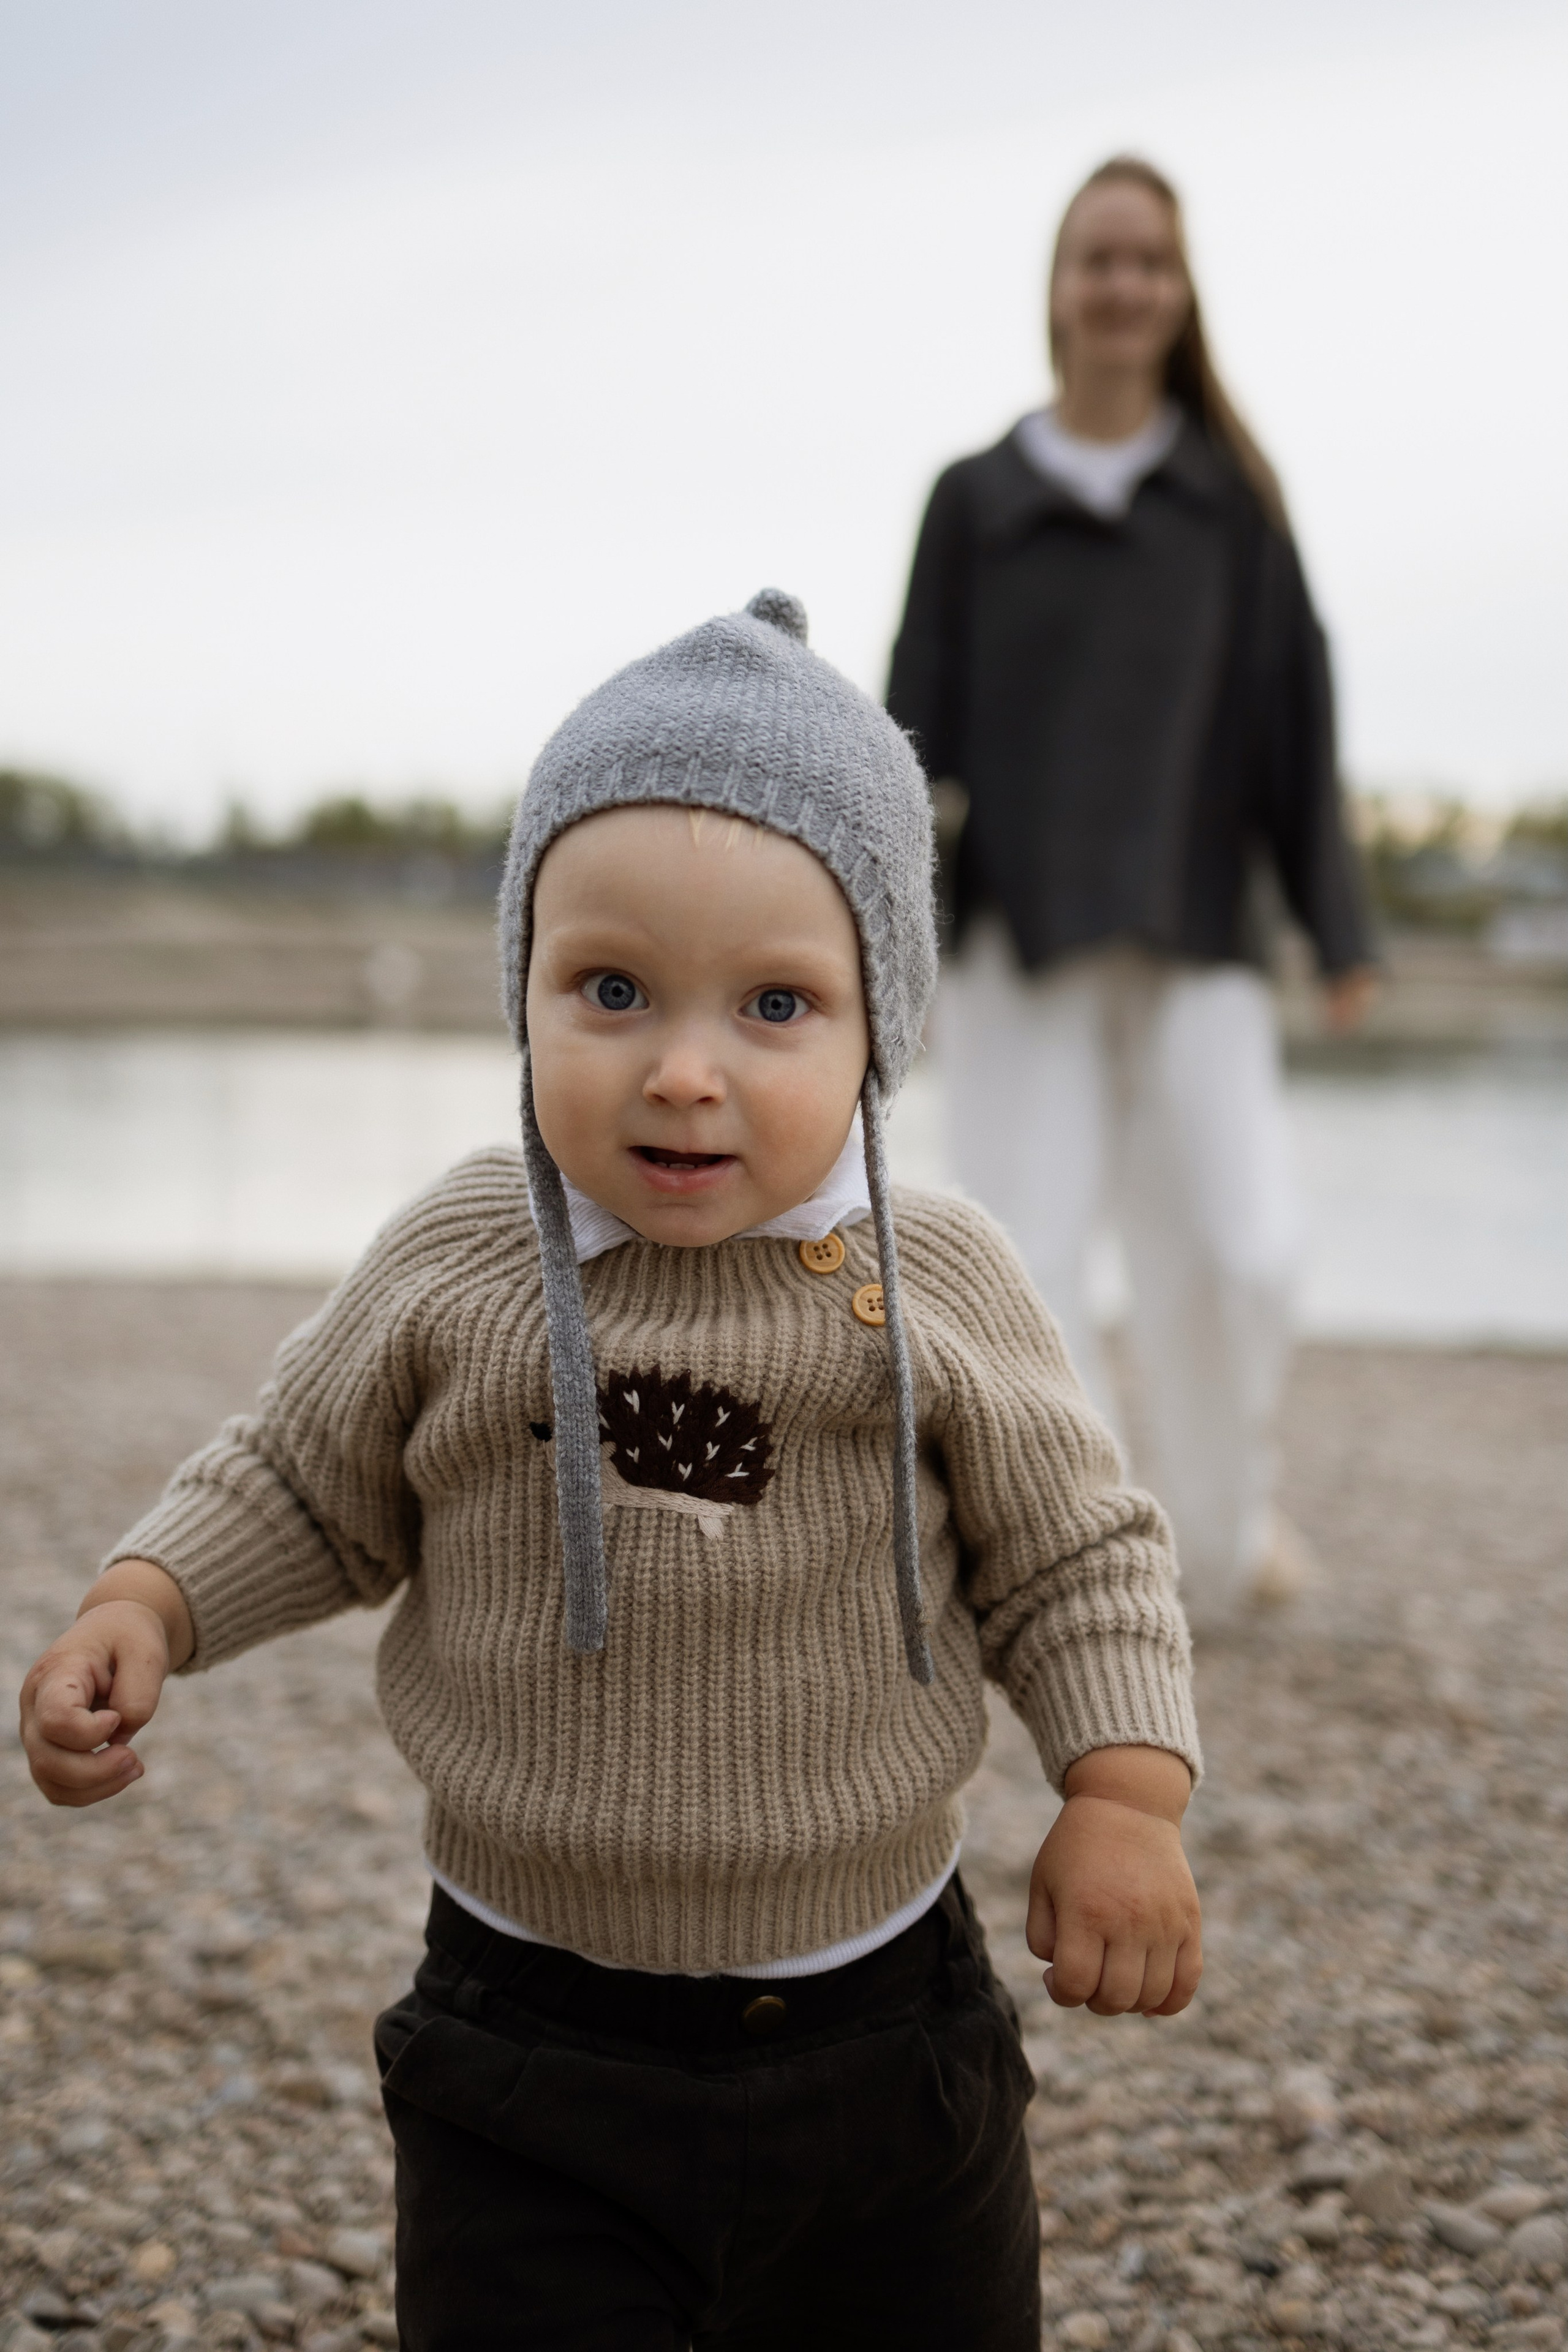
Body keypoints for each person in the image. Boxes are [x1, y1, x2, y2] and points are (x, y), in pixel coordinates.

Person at [20, 591, 1202, 2352]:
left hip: (883, 2022)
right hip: (523, 2039)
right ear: (525, 985)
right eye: (614, 989)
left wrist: (1125, 1795)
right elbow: (302, 1477)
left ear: (884, 1024)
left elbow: (1073, 1558)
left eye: (777, 1005)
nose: (683, 1069)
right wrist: (148, 1599)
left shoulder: (929, 1278)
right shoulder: (469, 1256)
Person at [887, 156, 1377, 1631]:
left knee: (1239, 1247)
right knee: (1022, 1266)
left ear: (1179, 292)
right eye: (1095, 259)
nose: (1120, 286)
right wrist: (873, 941)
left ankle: (1229, 1534)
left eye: (1146, 262)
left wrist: (1335, 927)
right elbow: (906, 736)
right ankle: (1086, 1560)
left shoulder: (1232, 502)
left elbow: (1296, 729)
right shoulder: (975, 498)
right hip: (1010, 943)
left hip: (1198, 930)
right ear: (1056, 286)